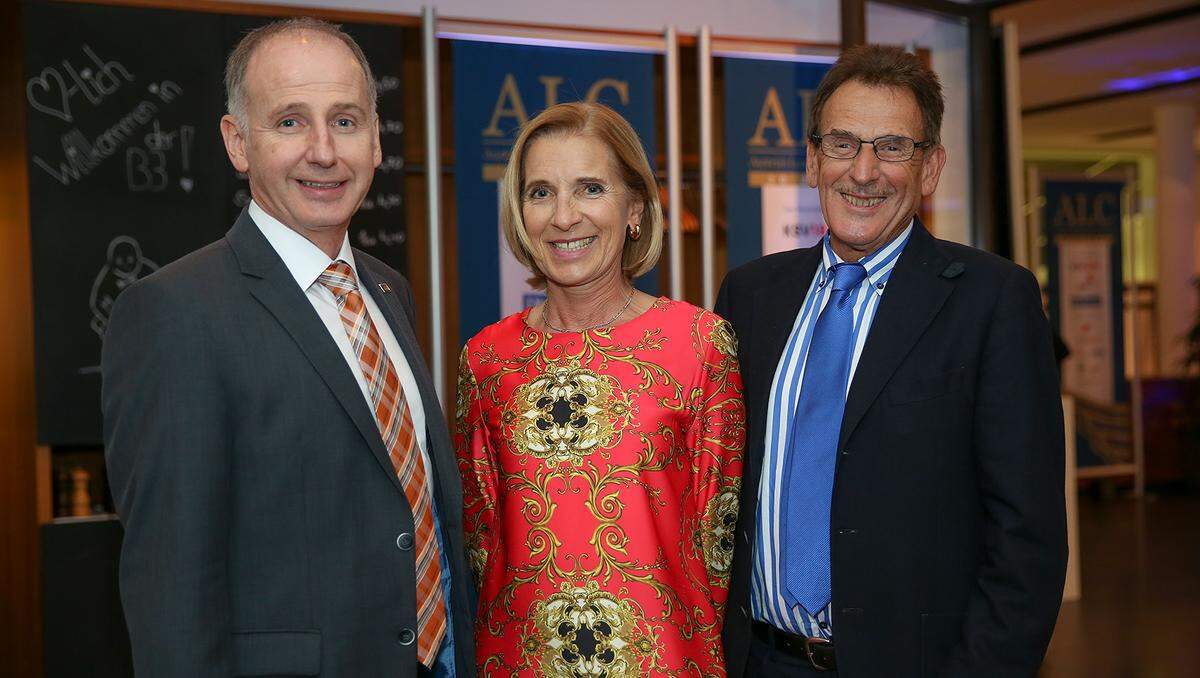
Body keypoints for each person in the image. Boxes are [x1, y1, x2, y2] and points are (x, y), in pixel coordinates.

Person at [102, 18, 474, 677]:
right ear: (238, 143)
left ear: (377, 139)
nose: (325, 151)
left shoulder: (388, 292)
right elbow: (174, 589)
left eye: (347, 121)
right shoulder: (175, 314)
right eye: (291, 122)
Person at [716, 45, 1066, 676]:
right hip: (756, 660)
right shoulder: (749, 296)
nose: (864, 170)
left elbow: (1027, 539)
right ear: (813, 159)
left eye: (893, 147)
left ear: (930, 168)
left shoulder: (994, 300)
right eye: (844, 143)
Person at [454, 102, 745, 676]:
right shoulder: (486, 360)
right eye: (540, 193)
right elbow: (482, 550)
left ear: (634, 207)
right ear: (520, 213)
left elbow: (720, 548)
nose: (564, 217)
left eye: (589, 188)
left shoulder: (699, 346)